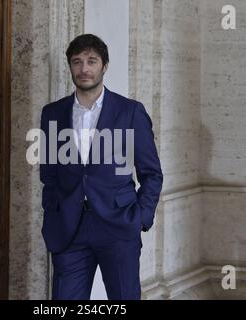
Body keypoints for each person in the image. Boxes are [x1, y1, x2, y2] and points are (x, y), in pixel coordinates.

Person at [39, 34, 163, 300]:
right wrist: (53, 214)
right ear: (70, 66)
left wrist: (140, 217)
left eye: (91, 61)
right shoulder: (53, 113)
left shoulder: (130, 111)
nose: (84, 69)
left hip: (118, 226)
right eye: (77, 62)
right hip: (69, 229)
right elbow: (49, 174)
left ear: (104, 66)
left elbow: (152, 174)